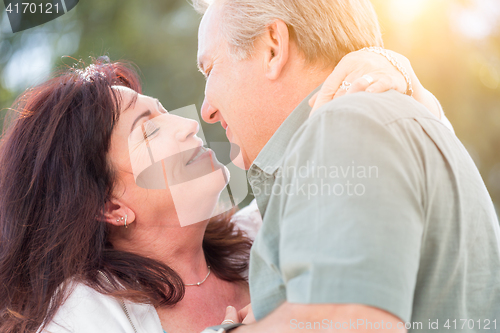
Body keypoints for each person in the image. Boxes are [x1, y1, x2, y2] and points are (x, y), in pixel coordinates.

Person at [0, 50, 441, 333]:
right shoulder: (78, 316)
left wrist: (396, 76)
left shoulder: (264, 231)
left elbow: (423, 199)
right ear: (110, 206)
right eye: (149, 130)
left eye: (165, 112)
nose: (190, 123)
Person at [194, 0, 500, 332]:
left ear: (273, 47)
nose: (206, 111)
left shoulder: (342, 125)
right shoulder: (378, 123)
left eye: (210, 69)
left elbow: (355, 323)